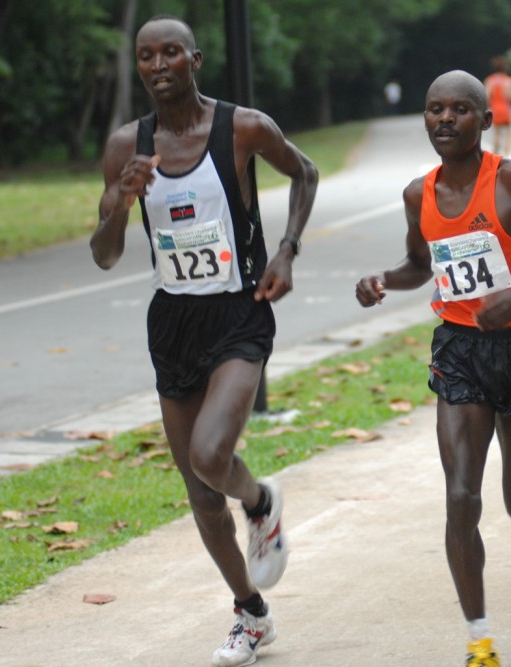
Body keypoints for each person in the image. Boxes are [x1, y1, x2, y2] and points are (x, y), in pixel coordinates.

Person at [90, 15, 318, 667]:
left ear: (194, 59)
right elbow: (104, 254)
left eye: (170, 53)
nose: (158, 65)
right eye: (145, 56)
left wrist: (286, 250)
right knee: (197, 487)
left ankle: (261, 500)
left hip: (239, 312)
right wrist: (119, 203)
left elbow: (305, 173)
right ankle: (251, 613)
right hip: (173, 321)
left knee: (212, 454)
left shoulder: (242, 127)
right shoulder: (124, 147)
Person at [355, 70, 511, 667]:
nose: (445, 120)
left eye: (460, 110)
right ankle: (480, 642)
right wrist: (384, 280)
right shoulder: (420, 193)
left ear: (485, 120)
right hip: (460, 350)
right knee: (461, 495)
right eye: (434, 109)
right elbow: (422, 265)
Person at [483, 56, 511, 155]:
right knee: (508, 135)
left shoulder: (490, 80)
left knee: (497, 134)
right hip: (505, 110)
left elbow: (486, 96)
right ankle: (506, 156)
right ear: (505, 68)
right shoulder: (509, 81)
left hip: (494, 110)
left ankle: (495, 155)